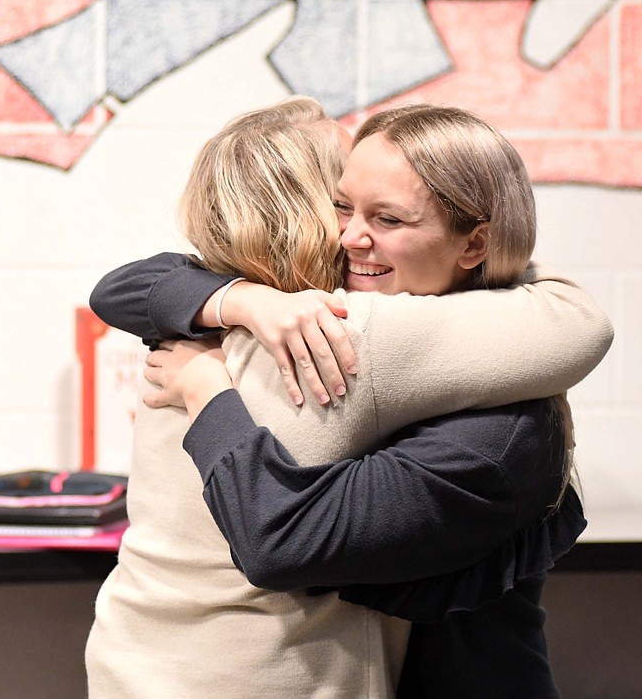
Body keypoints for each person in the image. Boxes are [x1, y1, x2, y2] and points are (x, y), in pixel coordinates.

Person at [86, 99, 613, 698]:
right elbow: (578, 321)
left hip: (129, 663)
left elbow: (124, 284)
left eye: (387, 214)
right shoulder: (346, 330)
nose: (357, 232)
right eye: (345, 204)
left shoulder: (196, 323)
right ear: (317, 209)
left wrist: (226, 333)